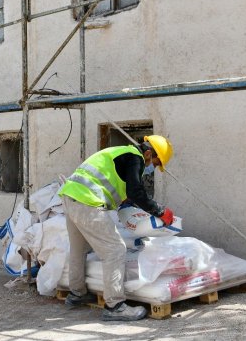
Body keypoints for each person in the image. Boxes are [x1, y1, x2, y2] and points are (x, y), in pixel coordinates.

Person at [58, 135, 174, 321]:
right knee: (115, 249)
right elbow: (135, 191)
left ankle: (77, 294)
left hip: (71, 197)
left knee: (79, 249)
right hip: (87, 201)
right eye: (156, 162)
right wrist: (160, 211)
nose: (152, 168)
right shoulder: (135, 157)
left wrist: (124, 200)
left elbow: (116, 183)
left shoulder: (121, 153)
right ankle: (115, 306)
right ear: (149, 153)